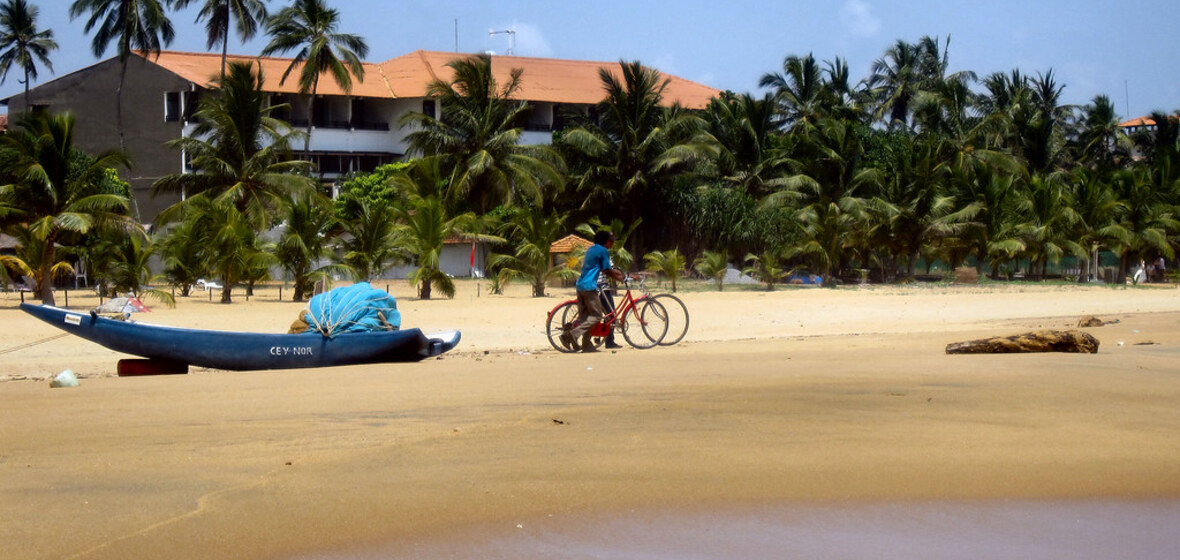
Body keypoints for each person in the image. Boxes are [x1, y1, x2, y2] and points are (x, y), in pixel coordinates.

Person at [563, 230, 624, 352]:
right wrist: (618, 277)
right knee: (596, 316)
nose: (612, 244)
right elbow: (606, 270)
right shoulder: (603, 251)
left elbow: (602, 268)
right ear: (606, 242)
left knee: (586, 317)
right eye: (611, 241)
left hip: (580, 285)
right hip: (590, 286)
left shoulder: (590, 249)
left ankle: (586, 345)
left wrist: (617, 274)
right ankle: (572, 334)